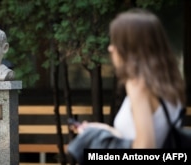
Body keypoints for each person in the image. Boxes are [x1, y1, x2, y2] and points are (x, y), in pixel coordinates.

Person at [70, 8, 186, 149]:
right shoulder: (170, 84)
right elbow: (143, 136)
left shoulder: (138, 84)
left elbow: (145, 148)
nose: (111, 48)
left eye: (116, 42)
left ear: (130, 47)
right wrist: (103, 131)